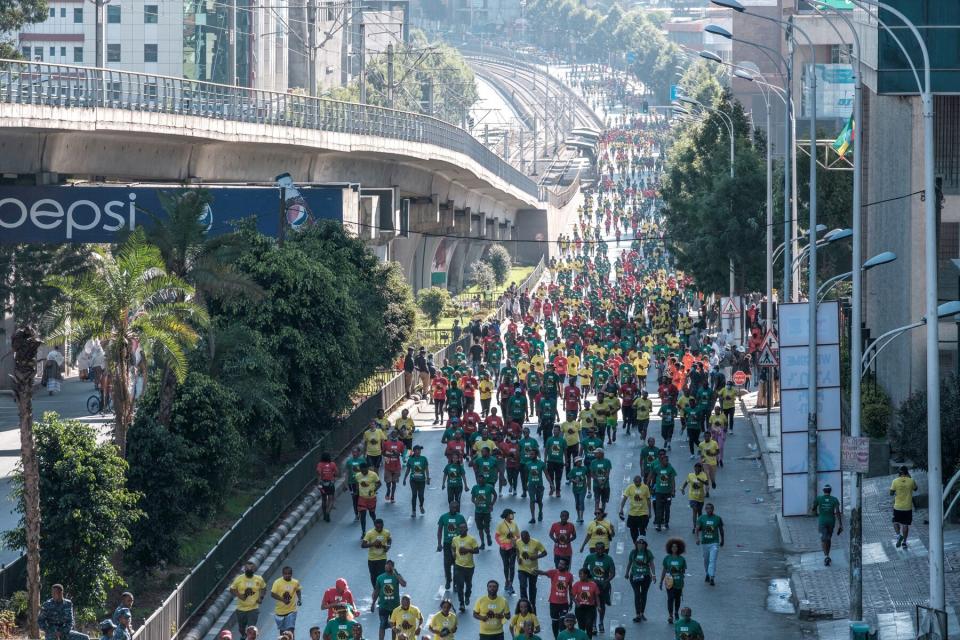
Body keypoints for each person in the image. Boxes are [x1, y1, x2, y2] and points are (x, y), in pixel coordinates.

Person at [581, 542, 615, 634]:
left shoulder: (609, 559)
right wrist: (588, 579)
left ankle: (601, 622)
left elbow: (613, 573)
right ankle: (594, 624)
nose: (599, 551)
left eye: (601, 549)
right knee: (593, 605)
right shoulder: (589, 557)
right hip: (592, 586)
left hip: (603, 586)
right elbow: (584, 569)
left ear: (604, 549)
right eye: (598, 549)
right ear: (595, 549)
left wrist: (606, 581)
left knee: (602, 605)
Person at [537, 558, 574, 639]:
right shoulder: (553, 572)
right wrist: (535, 571)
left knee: (563, 622)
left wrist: (571, 601)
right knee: (555, 622)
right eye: (559, 563)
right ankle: (556, 638)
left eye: (562, 564)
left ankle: (562, 637)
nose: (560, 565)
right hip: (553, 603)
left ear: (566, 566)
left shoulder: (569, 576)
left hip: (564, 604)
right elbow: (543, 573)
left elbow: (571, 590)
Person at [371, 560, 407, 640]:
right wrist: (373, 603)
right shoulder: (380, 578)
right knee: (382, 624)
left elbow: (404, 584)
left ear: (393, 567)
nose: (388, 566)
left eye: (390, 565)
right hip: (383, 606)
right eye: (386, 565)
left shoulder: (396, 576)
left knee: (394, 625)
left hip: (395, 607)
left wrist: (396, 574)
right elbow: (376, 591)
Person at [437, 501, 468, 590]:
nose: (454, 509)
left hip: (458, 544)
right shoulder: (443, 517)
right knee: (447, 563)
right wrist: (439, 543)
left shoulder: (460, 517)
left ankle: (455, 582)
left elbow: (465, 529)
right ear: (449, 507)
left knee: (457, 564)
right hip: (447, 544)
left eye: (456, 507)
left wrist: (464, 542)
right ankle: (448, 579)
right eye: (452, 507)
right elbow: (439, 531)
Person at [230, 562, 267, 634]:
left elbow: (263, 588)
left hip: (253, 608)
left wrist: (261, 597)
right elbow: (232, 589)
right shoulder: (239, 579)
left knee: (251, 629)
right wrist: (240, 596)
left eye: (251, 569)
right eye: (247, 568)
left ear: (254, 570)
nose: (249, 570)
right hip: (241, 609)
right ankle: (243, 636)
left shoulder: (259, 579)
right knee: (241, 629)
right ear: (244, 569)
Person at [812, 484, 843, 566]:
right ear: (830, 491)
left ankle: (826, 556)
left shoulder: (819, 498)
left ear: (823, 491)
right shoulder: (834, 500)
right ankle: (828, 555)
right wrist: (840, 524)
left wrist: (814, 509)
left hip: (822, 521)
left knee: (823, 539)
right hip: (831, 522)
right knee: (828, 538)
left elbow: (813, 508)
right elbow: (837, 512)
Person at [625, 537, 655, 623]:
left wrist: (653, 574)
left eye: (642, 543)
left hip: (646, 576)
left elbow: (652, 564)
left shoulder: (648, 553)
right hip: (635, 576)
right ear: (636, 544)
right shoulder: (633, 553)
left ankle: (642, 613)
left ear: (645, 545)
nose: (640, 545)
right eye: (639, 543)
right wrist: (627, 573)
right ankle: (637, 614)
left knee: (644, 595)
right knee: (637, 594)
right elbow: (629, 563)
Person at [452, 522, 480, 611]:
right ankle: (461, 603)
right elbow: (452, 547)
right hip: (458, 566)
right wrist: (453, 553)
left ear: (467, 529)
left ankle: (467, 595)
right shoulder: (455, 539)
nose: (461, 530)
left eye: (463, 528)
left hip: (469, 567)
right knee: (460, 585)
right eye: (460, 528)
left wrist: (467, 549)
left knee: (468, 584)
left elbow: (477, 551)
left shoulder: (471, 539)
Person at [695, 503, 724, 585]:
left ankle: (712, 577)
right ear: (705, 510)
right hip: (705, 543)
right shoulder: (701, 518)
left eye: (710, 508)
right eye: (707, 508)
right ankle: (707, 573)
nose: (709, 510)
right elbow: (697, 529)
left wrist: (722, 540)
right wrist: (697, 539)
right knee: (706, 560)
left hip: (714, 543)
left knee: (712, 560)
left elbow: (721, 530)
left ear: (713, 509)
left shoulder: (717, 518)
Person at [516, 530, 547, 608]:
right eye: (523, 539)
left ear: (529, 536)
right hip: (522, 568)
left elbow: (544, 553)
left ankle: (532, 603)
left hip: (533, 569)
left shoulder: (536, 543)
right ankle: (524, 603)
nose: (525, 541)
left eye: (526, 539)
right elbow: (517, 550)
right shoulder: (518, 542)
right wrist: (518, 558)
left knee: (532, 587)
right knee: (523, 585)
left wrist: (536, 557)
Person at [890, 465, 918, 549]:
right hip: (907, 507)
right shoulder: (911, 481)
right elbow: (916, 489)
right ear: (907, 472)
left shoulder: (895, 481)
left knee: (895, 522)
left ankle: (899, 536)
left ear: (899, 473)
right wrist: (910, 478)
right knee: (905, 525)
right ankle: (904, 543)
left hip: (897, 507)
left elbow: (891, 493)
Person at [659, 539, 686, 624]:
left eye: (676, 547)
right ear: (670, 548)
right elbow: (664, 569)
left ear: (678, 548)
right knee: (670, 598)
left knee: (677, 598)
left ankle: (676, 612)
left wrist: (679, 573)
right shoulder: (667, 558)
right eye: (673, 547)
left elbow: (683, 571)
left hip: (678, 582)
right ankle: (670, 615)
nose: (674, 548)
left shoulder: (682, 559)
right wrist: (661, 581)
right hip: (669, 582)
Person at [271, 567, 302, 640]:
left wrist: (299, 599)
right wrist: (283, 600)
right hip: (280, 612)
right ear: (282, 574)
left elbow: (298, 590)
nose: (287, 575)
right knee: (283, 632)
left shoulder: (295, 582)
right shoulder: (277, 582)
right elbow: (272, 594)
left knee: (291, 630)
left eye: (289, 574)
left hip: (292, 610)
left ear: (291, 574)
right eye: (285, 574)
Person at [619, 475, 651, 543]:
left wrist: (650, 512)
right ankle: (636, 544)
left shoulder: (645, 487)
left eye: (639, 482)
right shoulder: (630, 487)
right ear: (633, 481)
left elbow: (648, 500)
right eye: (636, 482)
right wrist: (621, 509)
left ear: (641, 481)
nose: (637, 483)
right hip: (632, 514)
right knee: (633, 532)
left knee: (642, 530)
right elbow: (624, 498)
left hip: (643, 513)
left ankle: (642, 545)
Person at [649, 451, 676, 532]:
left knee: (667, 508)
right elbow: (653, 477)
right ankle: (658, 524)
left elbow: (672, 480)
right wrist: (651, 487)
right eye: (665, 460)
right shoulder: (657, 468)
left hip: (668, 492)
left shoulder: (670, 468)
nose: (666, 462)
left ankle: (666, 522)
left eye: (667, 460)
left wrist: (673, 491)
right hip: (659, 492)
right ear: (661, 461)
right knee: (658, 508)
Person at [495, 509, 521, 595]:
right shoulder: (500, 525)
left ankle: (511, 584)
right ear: (506, 515)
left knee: (512, 566)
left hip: (512, 547)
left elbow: (518, 536)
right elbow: (496, 536)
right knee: (506, 566)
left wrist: (513, 538)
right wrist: (501, 544)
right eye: (511, 514)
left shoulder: (514, 524)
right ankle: (507, 580)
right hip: (503, 548)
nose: (512, 515)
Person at [362, 519, 392, 588]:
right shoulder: (370, 533)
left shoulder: (386, 532)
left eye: (380, 527)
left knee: (382, 575)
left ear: (383, 525)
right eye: (377, 527)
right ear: (374, 526)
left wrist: (388, 546)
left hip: (382, 558)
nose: (379, 529)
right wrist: (373, 544)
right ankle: (375, 589)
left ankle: (382, 590)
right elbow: (363, 545)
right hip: (372, 559)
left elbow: (389, 539)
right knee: (373, 576)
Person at [680, 463, 709, 534]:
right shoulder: (690, 475)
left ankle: (700, 525)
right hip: (692, 496)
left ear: (701, 469)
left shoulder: (703, 475)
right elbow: (686, 482)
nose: (697, 469)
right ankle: (695, 527)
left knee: (699, 512)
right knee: (694, 510)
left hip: (700, 496)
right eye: (696, 468)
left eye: (699, 468)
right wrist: (682, 488)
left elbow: (707, 483)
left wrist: (700, 480)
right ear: (694, 468)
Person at [402, 444, 430, 517]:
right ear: (414, 451)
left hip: (422, 480)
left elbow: (426, 469)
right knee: (414, 495)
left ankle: (421, 506)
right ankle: (413, 511)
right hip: (413, 480)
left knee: (421, 495)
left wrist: (428, 478)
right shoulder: (411, 459)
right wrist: (404, 479)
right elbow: (408, 470)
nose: (418, 451)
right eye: (417, 450)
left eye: (419, 450)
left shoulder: (424, 458)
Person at [355, 461, 381, 536]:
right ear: (360, 469)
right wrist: (356, 493)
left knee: (372, 514)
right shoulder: (358, 475)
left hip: (371, 498)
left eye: (365, 470)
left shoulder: (373, 474)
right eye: (362, 470)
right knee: (362, 515)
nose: (363, 472)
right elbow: (357, 485)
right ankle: (363, 532)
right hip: (362, 498)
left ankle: (376, 526)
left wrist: (374, 490)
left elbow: (379, 483)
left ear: (367, 468)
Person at [570, 569, 599, 637]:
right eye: (579, 574)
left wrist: (599, 606)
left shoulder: (593, 585)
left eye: (581, 574)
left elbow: (597, 596)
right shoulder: (577, 584)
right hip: (580, 608)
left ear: (586, 575)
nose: (580, 576)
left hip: (590, 608)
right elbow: (572, 595)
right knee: (581, 627)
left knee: (589, 625)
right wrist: (576, 603)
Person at [472, 476, 497, 549]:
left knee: (486, 527)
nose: (480, 481)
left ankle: (488, 535)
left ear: (484, 480)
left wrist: (492, 504)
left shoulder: (489, 487)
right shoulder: (475, 488)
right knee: (480, 529)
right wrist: (474, 502)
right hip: (478, 511)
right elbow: (472, 498)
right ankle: (482, 543)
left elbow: (495, 495)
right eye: (478, 480)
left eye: (481, 480)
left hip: (486, 511)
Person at [524, 450, 547, 523]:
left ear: (536, 455)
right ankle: (533, 517)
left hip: (539, 485)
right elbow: (526, 475)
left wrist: (551, 484)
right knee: (532, 501)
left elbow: (547, 474)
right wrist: (525, 485)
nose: (530, 455)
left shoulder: (541, 464)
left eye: (532, 454)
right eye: (530, 454)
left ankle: (540, 512)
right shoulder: (528, 464)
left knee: (539, 501)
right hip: (531, 485)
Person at [382, 431, 405, 504]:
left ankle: (392, 496)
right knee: (388, 482)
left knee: (394, 482)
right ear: (391, 435)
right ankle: (388, 490)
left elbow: (403, 453)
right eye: (393, 434)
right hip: (388, 465)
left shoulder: (400, 444)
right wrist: (387, 455)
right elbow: (383, 452)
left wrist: (397, 453)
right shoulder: (386, 443)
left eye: (395, 434)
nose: (394, 436)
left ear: (397, 435)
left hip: (396, 466)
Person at [317, 452, 338, 522]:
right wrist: (333, 476)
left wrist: (319, 484)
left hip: (323, 484)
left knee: (324, 499)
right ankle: (327, 512)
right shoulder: (332, 464)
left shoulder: (320, 465)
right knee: (331, 499)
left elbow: (319, 474)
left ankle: (324, 515)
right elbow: (337, 472)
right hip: (330, 484)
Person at [567, 457, 589, 523]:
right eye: (578, 461)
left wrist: (587, 484)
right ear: (575, 463)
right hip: (575, 489)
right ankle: (578, 516)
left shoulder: (584, 468)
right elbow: (569, 477)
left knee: (581, 501)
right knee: (577, 503)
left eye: (580, 461)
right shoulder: (573, 470)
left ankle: (581, 517)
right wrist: (574, 480)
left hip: (583, 488)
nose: (580, 462)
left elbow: (588, 476)